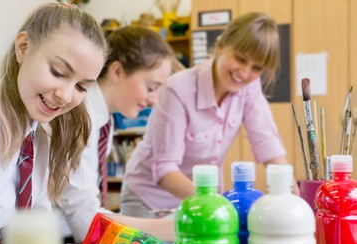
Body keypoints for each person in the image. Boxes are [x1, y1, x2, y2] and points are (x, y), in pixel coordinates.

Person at [120, 12, 300, 218]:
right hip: (150, 199)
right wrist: (217, 203)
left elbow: (269, 148)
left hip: (204, 200)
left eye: (256, 68)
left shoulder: (249, 88)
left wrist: (297, 203)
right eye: (240, 59)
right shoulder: (178, 89)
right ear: (222, 46)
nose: (244, 73)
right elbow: (164, 171)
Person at [0, 2, 108, 244]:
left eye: (81, 87)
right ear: (23, 48)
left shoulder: (38, 137)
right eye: (58, 72)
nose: (66, 96)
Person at [58, 25, 175, 244]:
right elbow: (85, 223)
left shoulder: (105, 119)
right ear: (117, 71)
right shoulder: (80, 116)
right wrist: (169, 228)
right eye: (151, 87)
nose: (155, 100)